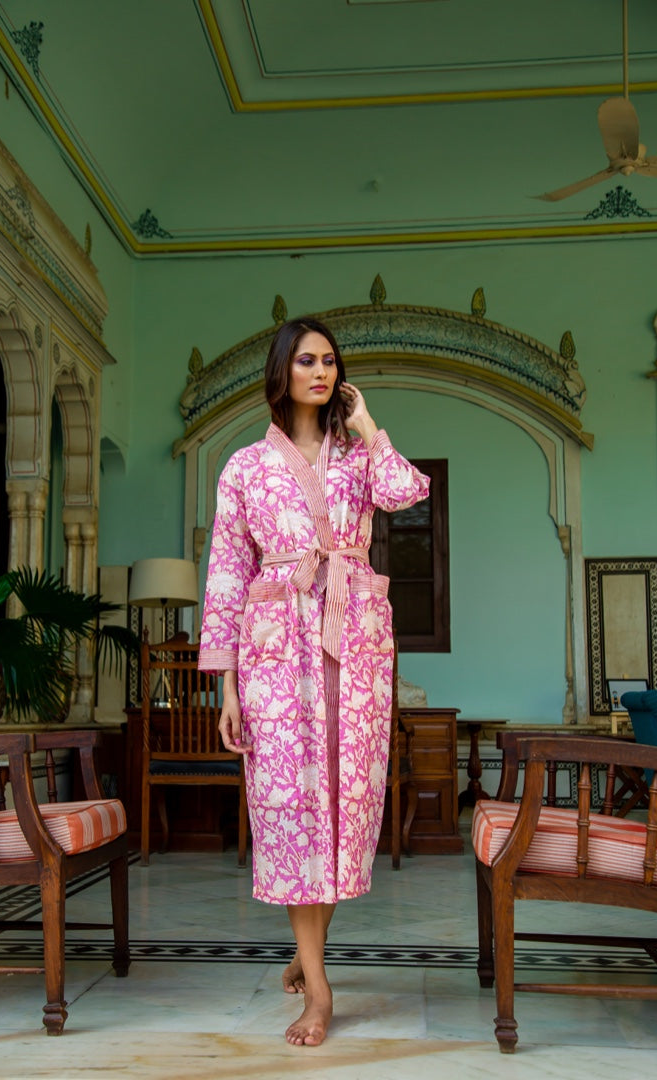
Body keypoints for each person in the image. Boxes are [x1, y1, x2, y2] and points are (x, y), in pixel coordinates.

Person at [198, 316, 430, 1046]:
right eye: (306, 360)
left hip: (354, 644)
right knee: (291, 806)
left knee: (344, 808)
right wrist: (226, 687)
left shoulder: (357, 458)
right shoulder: (242, 467)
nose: (321, 372)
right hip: (274, 650)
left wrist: (368, 426)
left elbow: (405, 492)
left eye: (330, 361)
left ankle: (306, 957)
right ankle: (318, 985)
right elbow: (226, 579)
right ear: (282, 370)